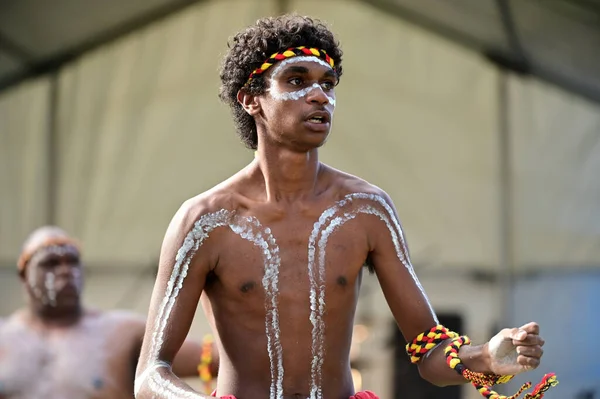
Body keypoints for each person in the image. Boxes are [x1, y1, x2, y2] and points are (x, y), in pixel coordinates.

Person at [134, 14, 555, 399]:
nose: (319, 95)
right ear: (251, 99)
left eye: (328, 83)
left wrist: (484, 358)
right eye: (297, 80)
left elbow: (430, 352)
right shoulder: (205, 220)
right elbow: (151, 375)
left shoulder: (367, 209)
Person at [0, 226, 218, 399]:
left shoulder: (123, 333)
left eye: (73, 262)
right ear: (24, 275)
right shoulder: (3, 337)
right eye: (51, 263)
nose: (66, 270)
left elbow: (212, 358)